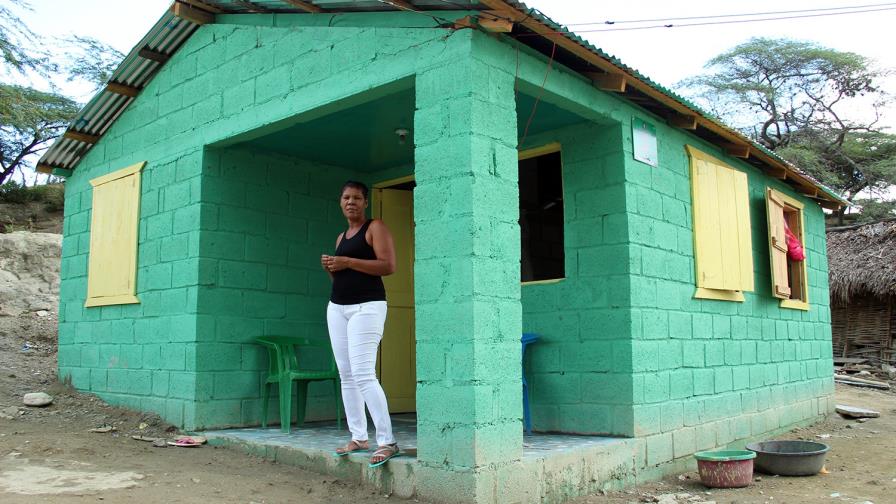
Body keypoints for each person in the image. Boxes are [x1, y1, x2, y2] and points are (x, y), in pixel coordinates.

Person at [321, 181, 399, 468]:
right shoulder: (341, 237)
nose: (350, 202)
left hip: (367, 306)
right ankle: (359, 436)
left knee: (364, 373)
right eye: (346, 197)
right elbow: (343, 277)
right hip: (337, 307)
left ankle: (387, 441)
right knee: (346, 374)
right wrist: (333, 267)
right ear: (340, 202)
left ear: (366, 202)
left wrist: (348, 261)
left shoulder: (375, 227)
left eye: (356, 198)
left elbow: (388, 266)